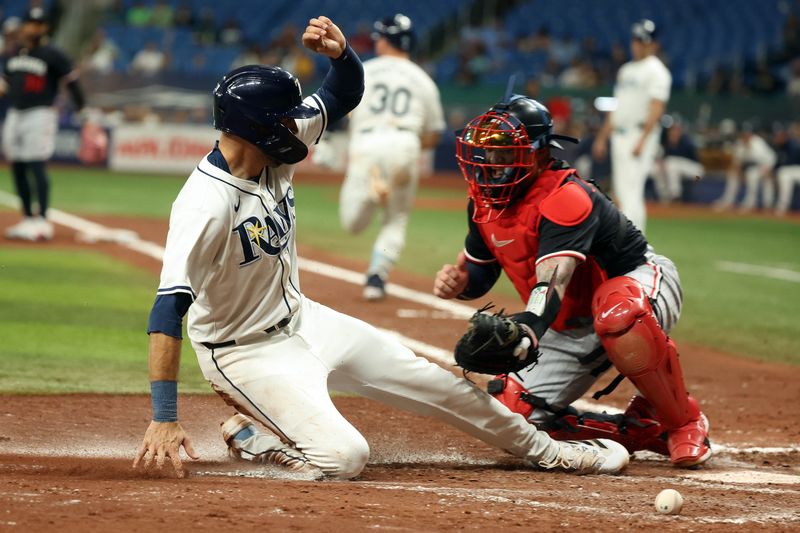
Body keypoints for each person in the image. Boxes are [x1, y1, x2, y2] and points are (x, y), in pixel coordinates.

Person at [131, 16, 629, 480]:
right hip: (242, 352)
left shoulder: (266, 142)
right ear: (257, 127)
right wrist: (164, 417)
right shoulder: (205, 204)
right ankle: (258, 439)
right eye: (285, 119)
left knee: (439, 384)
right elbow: (167, 308)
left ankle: (553, 453)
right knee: (344, 457)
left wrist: (344, 54)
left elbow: (342, 93)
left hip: (304, 318)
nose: (297, 123)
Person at [434, 95, 711, 468]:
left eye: (504, 152)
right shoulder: (483, 203)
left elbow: (553, 280)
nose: (492, 163)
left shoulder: (567, 197)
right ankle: (638, 429)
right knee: (515, 417)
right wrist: (460, 284)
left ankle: (685, 422)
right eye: (488, 152)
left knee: (619, 315)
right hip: (568, 319)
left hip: (637, 282)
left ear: (535, 153)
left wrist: (530, 327)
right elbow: (480, 271)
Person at [339, 14, 445, 300]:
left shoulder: (365, 70)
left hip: (367, 144)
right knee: (396, 219)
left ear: (384, 40)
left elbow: (345, 110)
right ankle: (377, 277)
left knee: (353, 224)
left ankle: (373, 195)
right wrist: (407, 149)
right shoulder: (423, 79)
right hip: (404, 145)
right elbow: (434, 134)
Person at [1, 7, 85, 241]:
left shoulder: (54, 54)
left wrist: (83, 110)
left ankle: (43, 221)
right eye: (30, 23)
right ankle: (28, 218)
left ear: (45, 27)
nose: (32, 28)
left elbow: (73, 84)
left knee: (36, 164)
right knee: (17, 165)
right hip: (15, 114)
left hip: (40, 113)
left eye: (37, 24)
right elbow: (6, 84)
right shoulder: (17, 53)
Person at [592, 19, 671, 234]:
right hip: (620, 134)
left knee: (632, 192)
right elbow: (617, 107)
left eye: (643, 41)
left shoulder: (657, 71)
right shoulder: (626, 70)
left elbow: (656, 108)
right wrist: (602, 138)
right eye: (636, 40)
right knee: (621, 191)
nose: (637, 45)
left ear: (653, 44)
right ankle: (627, 242)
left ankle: (638, 245)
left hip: (639, 134)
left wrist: (643, 140)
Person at [713, 122, 777, 212]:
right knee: (732, 175)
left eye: (747, 134)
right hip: (747, 169)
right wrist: (738, 172)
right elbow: (737, 163)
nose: (745, 136)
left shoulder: (758, 143)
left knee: (752, 175)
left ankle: (750, 203)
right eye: (743, 134)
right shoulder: (740, 144)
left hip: (763, 167)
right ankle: (728, 201)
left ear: (750, 134)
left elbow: (772, 157)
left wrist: (768, 169)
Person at [653, 118, 704, 203]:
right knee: (659, 168)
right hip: (677, 172)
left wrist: (696, 179)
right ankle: (664, 198)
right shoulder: (665, 144)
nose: (674, 133)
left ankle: (675, 197)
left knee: (671, 163)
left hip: (696, 173)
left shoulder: (686, 142)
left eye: (676, 130)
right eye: (672, 131)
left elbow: (697, 164)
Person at [773, 122, 800, 216]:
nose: (778, 138)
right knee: (783, 176)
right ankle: (781, 210)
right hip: (785, 171)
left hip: (797, 168)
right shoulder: (779, 147)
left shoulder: (793, 144)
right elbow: (777, 163)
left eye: (780, 135)